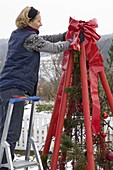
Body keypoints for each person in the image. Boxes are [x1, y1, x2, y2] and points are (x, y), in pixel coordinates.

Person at [0, 6, 72, 170]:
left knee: (2, 129)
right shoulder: (30, 39)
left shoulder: (17, 35)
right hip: (15, 88)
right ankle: (5, 166)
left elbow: (45, 39)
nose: (41, 24)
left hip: (5, 86)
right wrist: (71, 43)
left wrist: (63, 36)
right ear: (29, 21)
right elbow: (52, 48)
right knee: (12, 131)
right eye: (38, 20)